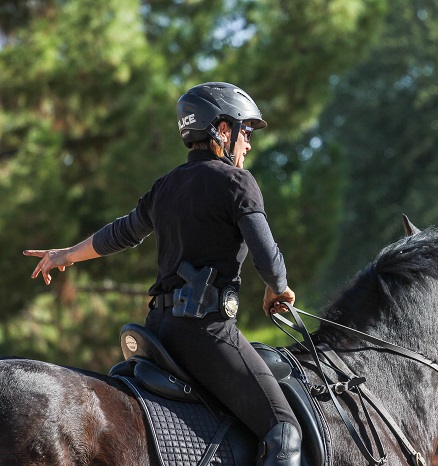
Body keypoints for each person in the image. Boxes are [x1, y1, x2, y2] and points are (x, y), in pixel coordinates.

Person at [23, 82, 302, 466]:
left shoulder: (165, 186)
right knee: (284, 431)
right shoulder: (238, 183)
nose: (248, 144)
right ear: (222, 130)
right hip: (208, 334)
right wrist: (279, 288)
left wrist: (67, 254)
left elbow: (121, 233)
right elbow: (268, 259)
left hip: (159, 332)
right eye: (246, 132)